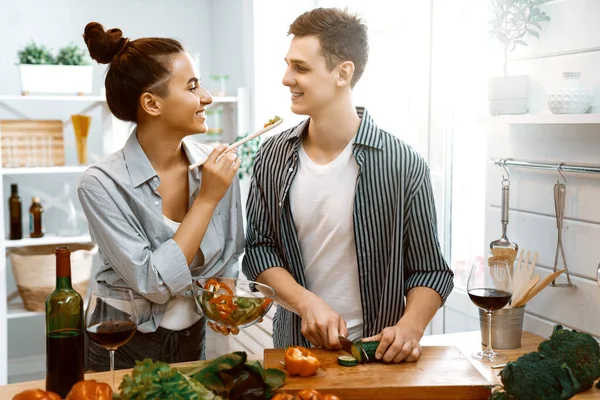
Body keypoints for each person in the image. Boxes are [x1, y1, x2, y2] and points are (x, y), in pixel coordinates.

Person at [242, 8, 454, 364]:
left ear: (343, 73)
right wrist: (306, 303)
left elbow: (429, 270)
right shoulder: (271, 157)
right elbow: (260, 251)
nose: (286, 78)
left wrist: (410, 328)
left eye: (301, 68)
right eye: (288, 65)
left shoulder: (403, 164)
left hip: (379, 358)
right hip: (292, 353)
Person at [77, 22, 244, 371]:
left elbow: (230, 251)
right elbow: (152, 282)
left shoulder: (211, 167)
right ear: (152, 103)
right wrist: (207, 200)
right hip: (121, 343)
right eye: (193, 87)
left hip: (192, 339)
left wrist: (223, 294)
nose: (207, 98)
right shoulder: (101, 184)